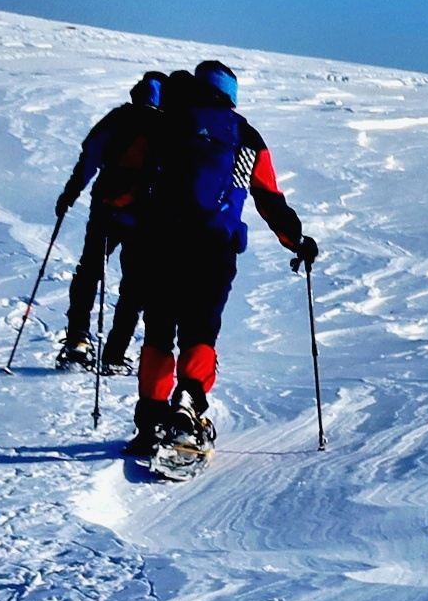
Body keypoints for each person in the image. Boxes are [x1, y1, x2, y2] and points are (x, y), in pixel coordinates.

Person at [125, 59, 315, 460]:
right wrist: (296, 240)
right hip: (213, 247)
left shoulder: (165, 123)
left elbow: (132, 179)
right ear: (231, 94)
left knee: (158, 331)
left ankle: (150, 421)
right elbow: (268, 198)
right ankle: (189, 404)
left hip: (158, 243)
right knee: (200, 329)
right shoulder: (245, 137)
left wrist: (118, 216)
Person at [53, 71, 167, 371]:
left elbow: (89, 157)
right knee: (135, 286)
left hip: (105, 208)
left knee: (90, 271)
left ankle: (78, 339)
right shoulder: (166, 126)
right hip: (144, 218)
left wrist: (69, 194)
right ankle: (115, 353)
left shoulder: (117, 118)